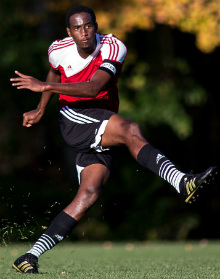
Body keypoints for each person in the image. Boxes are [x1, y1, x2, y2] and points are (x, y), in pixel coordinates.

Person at [10, 5, 217, 274]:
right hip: (75, 117)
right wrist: (41, 107)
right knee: (130, 131)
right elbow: (55, 70)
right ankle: (181, 180)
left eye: (88, 26)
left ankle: (29, 255)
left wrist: (46, 87)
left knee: (89, 194)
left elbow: (94, 87)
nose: (83, 33)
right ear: (68, 31)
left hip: (99, 118)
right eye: (77, 28)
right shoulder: (58, 48)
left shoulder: (112, 46)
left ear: (96, 26)